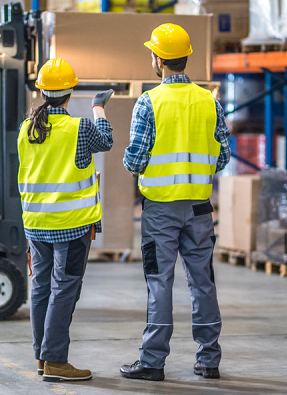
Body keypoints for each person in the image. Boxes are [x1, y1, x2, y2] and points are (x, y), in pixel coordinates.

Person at [119, 23, 231, 381]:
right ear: (186, 58)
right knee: (203, 282)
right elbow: (224, 156)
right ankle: (209, 360)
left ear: (158, 59)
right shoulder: (209, 100)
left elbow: (134, 161)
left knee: (159, 282)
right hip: (200, 208)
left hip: (160, 212)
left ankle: (153, 362)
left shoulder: (148, 102)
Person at [18, 58, 114, 382]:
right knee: (65, 289)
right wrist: (98, 106)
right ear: (70, 91)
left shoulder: (27, 128)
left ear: (41, 90)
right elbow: (107, 141)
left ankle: (43, 357)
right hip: (72, 225)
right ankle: (56, 361)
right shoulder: (80, 127)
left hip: (36, 224)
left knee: (41, 288)